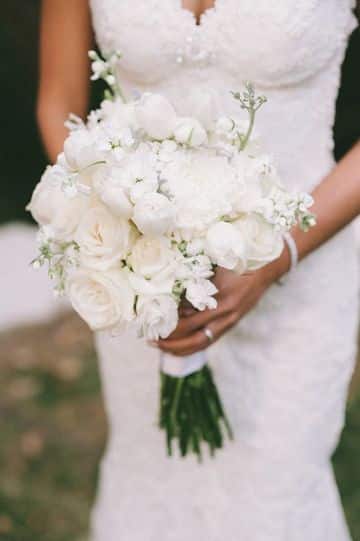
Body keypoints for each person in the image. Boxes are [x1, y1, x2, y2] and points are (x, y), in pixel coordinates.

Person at [37, 1, 360, 539]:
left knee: (273, 493)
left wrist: (279, 254)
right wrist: (110, 228)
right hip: (141, 279)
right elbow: (58, 102)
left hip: (303, 275)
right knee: (151, 479)